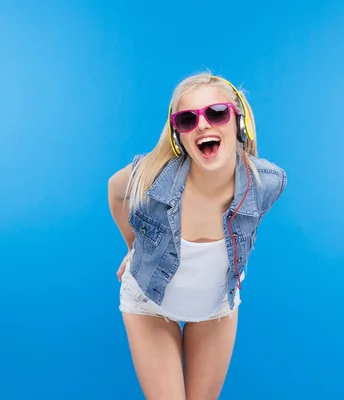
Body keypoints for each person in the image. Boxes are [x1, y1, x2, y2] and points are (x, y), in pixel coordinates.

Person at [107, 71, 287, 399]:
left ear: (239, 123)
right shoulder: (152, 177)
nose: (203, 125)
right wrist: (136, 246)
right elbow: (116, 192)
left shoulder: (267, 183)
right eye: (188, 120)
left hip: (215, 309)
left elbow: (243, 232)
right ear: (179, 136)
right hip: (150, 304)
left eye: (216, 113)